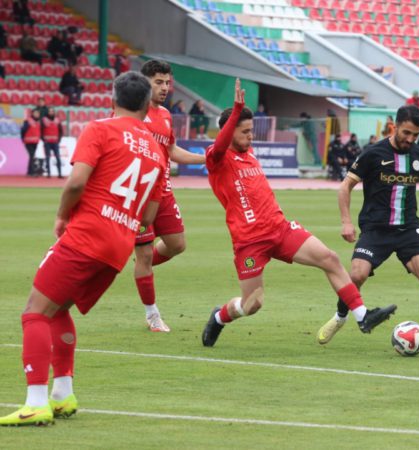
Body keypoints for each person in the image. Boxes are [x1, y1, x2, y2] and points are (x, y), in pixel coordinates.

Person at [0, 71, 166, 427]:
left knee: (34, 313)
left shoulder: (100, 128)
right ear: (145, 105)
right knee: (58, 310)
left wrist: (62, 217)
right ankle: (63, 394)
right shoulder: (156, 150)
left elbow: (77, 181)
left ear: (113, 98)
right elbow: (148, 215)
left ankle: (35, 402)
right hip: (118, 247)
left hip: (87, 235)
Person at [200, 79, 396, 348]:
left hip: (279, 229)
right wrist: (235, 111)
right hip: (249, 241)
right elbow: (220, 144)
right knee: (252, 303)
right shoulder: (217, 158)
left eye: (251, 130)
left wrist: (239, 120)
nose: (251, 136)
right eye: (244, 131)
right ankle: (219, 317)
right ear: (229, 131)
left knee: (330, 258)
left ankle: (363, 316)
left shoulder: (249, 153)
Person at [316, 105, 419, 357]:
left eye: (415, 135)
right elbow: (346, 186)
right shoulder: (373, 154)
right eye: (406, 132)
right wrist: (346, 221)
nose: (410, 139)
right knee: (356, 275)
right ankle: (340, 317)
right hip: (375, 229)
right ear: (395, 126)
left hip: (408, 228)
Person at [131, 59, 207, 333]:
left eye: (167, 82)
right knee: (145, 258)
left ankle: (142, 264)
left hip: (163, 191)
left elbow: (172, 151)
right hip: (139, 194)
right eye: (158, 82)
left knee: (177, 245)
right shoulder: (130, 113)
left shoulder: (164, 114)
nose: (165, 88)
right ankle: (153, 315)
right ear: (145, 83)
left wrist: (205, 157)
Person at [42, 108, 63, 178]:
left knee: (58, 157)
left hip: (55, 142)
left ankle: (60, 173)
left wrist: (59, 139)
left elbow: (61, 130)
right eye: (50, 111)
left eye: (52, 111)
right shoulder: (44, 120)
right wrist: (43, 139)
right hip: (47, 142)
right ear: (48, 112)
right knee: (47, 158)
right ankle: (48, 174)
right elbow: (41, 130)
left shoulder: (57, 120)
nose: (51, 112)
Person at [20, 109, 41, 176]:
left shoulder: (38, 122)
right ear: (32, 114)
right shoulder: (28, 121)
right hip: (28, 141)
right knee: (32, 155)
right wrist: (23, 139)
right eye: (35, 113)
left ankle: (29, 171)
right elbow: (23, 130)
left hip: (35, 141)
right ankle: (32, 172)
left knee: (32, 156)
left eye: (38, 113)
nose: (36, 115)